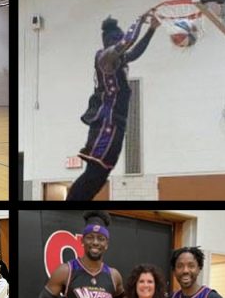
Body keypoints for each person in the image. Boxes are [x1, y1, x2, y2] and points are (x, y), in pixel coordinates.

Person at [67, 13, 159, 200]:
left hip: (117, 121)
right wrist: (140, 21)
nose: (122, 47)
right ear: (110, 42)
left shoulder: (119, 59)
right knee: (95, 170)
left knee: (102, 174)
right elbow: (128, 42)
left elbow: (135, 52)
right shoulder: (105, 57)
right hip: (106, 122)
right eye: (118, 41)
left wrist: (151, 30)